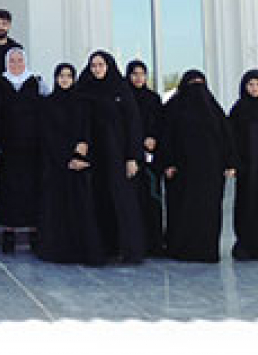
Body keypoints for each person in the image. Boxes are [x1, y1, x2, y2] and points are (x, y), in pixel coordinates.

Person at [159, 70, 238, 263]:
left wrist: (230, 163)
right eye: (192, 83)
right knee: (182, 210)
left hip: (210, 171)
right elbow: (165, 137)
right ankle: (180, 248)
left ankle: (206, 250)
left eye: (200, 82)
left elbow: (227, 138)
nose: (196, 87)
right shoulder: (173, 108)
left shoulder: (213, 109)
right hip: (182, 171)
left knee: (208, 212)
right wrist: (167, 163)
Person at [75, 50, 145, 264]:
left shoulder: (121, 89)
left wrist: (132, 157)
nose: (97, 69)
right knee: (98, 200)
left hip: (117, 154)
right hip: (94, 156)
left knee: (123, 201)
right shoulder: (84, 89)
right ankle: (103, 248)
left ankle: (130, 250)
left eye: (101, 65)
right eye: (93, 65)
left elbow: (133, 124)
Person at [35, 63, 105, 266]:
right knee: (56, 209)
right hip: (55, 165)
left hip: (79, 164)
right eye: (61, 76)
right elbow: (47, 135)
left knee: (80, 207)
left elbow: (87, 132)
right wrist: (66, 157)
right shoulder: (47, 104)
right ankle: (57, 251)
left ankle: (81, 251)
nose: (64, 80)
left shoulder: (82, 103)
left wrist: (80, 156)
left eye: (68, 76)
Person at [0, 47, 46, 254]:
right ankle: (9, 232)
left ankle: (34, 232)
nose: (16, 64)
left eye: (19, 60)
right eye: (12, 61)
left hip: (32, 146)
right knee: (9, 188)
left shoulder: (36, 83)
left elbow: (44, 112)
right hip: (8, 146)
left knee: (32, 187)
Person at [228, 69, 258, 260]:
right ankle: (247, 246)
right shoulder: (238, 111)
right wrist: (233, 163)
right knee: (247, 206)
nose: (254, 88)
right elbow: (230, 140)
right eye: (250, 85)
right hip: (247, 170)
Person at [125, 60, 165, 256]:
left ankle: (154, 243)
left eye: (142, 74)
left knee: (152, 199)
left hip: (151, 158)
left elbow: (160, 124)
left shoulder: (153, 99)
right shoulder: (124, 98)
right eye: (134, 74)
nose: (138, 78)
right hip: (131, 157)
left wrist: (154, 138)